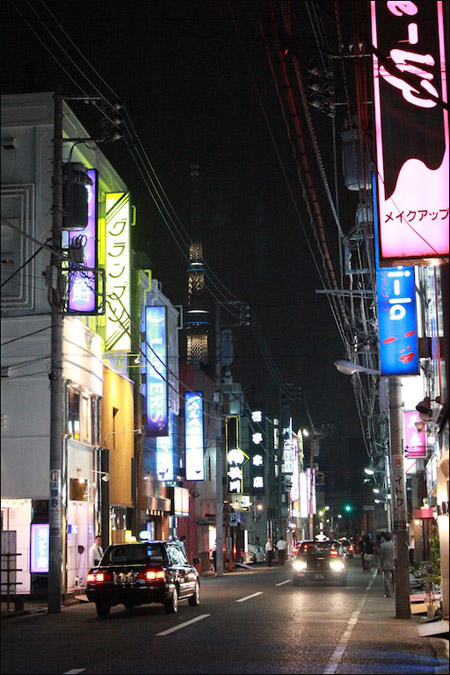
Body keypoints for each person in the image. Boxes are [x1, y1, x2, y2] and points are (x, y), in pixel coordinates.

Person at [379, 532, 395, 597]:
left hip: (386, 563)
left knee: (386, 579)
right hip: (394, 563)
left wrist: (381, 564)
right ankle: (395, 591)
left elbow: (381, 556)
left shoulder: (382, 545)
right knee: (395, 579)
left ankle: (388, 593)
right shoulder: (394, 544)